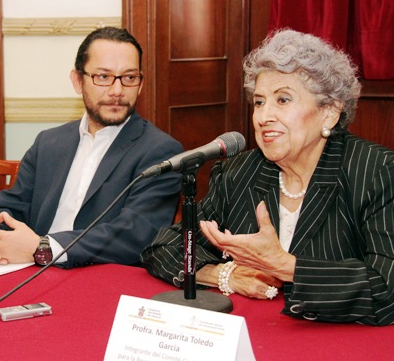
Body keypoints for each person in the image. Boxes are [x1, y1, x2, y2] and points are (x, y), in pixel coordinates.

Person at [141, 29, 394, 325]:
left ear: (329, 112)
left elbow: (385, 286)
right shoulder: (241, 173)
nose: (263, 117)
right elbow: (163, 247)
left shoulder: (376, 172)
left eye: (283, 100)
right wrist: (223, 274)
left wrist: (287, 267)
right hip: (255, 336)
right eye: (259, 102)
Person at [0, 27, 183, 268]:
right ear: (77, 81)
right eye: (103, 77)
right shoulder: (48, 143)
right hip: (27, 270)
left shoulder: (162, 152)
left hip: (99, 279)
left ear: (140, 84)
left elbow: (135, 235)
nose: (117, 91)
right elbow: (12, 207)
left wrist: (44, 248)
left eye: (129, 78)